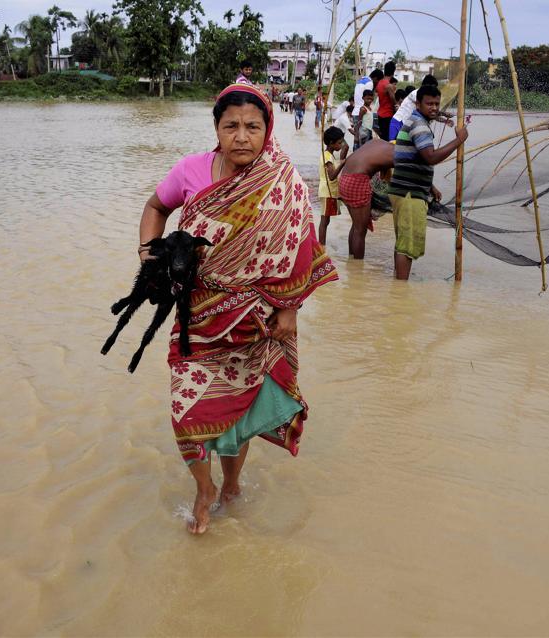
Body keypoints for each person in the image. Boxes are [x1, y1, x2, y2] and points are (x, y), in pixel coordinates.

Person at [139, 83, 338, 534]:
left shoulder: (282, 180)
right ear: (216, 128)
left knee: (239, 407)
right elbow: (156, 207)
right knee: (186, 408)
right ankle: (203, 487)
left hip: (259, 317)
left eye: (253, 126)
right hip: (198, 314)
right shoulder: (190, 171)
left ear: (268, 129)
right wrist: (148, 257)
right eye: (231, 126)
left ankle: (230, 486)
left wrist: (289, 309)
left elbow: (301, 247)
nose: (242, 136)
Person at [388, 85, 468, 280]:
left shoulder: (417, 121)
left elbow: (415, 158)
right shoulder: (419, 124)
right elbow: (430, 156)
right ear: (418, 104)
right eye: (429, 103)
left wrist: (430, 186)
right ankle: (400, 292)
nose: (434, 108)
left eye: (436, 103)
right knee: (406, 246)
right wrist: (459, 140)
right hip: (409, 194)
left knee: (403, 243)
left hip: (406, 190)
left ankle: (397, 287)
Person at [337, 138, 395, 259]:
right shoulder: (394, 153)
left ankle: (351, 261)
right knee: (360, 230)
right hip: (357, 180)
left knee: (356, 225)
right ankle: (357, 269)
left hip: (344, 178)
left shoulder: (377, 143)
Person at [390, 75, 454, 142]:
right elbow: (430, 113)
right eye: (433, 88)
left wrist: (445, 118)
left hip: (407, 124)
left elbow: (431, 113)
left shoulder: (424, 97)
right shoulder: (416, 94)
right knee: (393, 146)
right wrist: (444, 117)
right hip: (398, 122)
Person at [318, 126, 349, 245]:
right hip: (327, 191)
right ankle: (321, 246)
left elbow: (345, 146)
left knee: (326, 221)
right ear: (331, 143)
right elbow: (331, 176)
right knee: (324, 221)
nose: (340, 145)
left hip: (331, 191)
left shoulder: (330, 155)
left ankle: (322, 244)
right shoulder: (327, 156)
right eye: (339, 143)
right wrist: (342, 164)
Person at [375, 61, 398, 142]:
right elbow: (392, 99)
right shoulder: (388, 86)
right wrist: (397, 106)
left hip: (380, 113)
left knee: (383, 138)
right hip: (388, 115)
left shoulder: (379, 83)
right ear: (393, 72)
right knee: (389, 140)